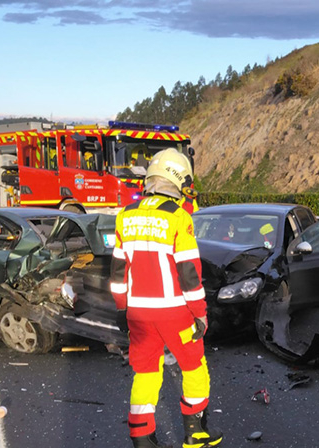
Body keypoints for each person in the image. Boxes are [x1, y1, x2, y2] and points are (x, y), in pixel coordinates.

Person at [110, 148, 222, 448]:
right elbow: (188, 273)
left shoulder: (125, 216)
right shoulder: (178, 218)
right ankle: (195, 434)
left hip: (138, 313)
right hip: (175, 313)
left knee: (145, 372)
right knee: (194, 368)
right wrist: (200, 313)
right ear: (177, 179)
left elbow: (119, 272)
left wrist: (122, 309)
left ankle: (142, 438)